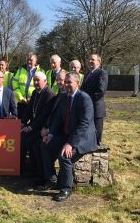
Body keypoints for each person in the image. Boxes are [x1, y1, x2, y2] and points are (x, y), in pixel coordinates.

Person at [39, 72, 97, 201]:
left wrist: (70, 143)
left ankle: (65, 189)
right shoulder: (64, 97)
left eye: (69, 82)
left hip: (83, 138)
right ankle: (52, 180)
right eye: (65, 82)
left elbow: (84, 124)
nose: (66, 85)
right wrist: (51, 134)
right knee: (45, 145)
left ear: (77, 83)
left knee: (65, 155)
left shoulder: (84, 98)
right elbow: (58, 118)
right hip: (67, 135)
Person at [20, 71, 55, 175]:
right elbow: (29, 109)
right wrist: (22, 122)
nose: (35, 83)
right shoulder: (35, 92)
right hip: (35, 126)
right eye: (34, 80)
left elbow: (43, 116)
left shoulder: (49, 94)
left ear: (44, 81)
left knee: (31, 142)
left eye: (37, 80)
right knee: (22, 137)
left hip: (43, 128)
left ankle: (37, 173)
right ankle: (21, 168)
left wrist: (30, 127)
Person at [80, 54, 108, 145]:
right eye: (89, 59)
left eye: (93, 60)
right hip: (86, 107)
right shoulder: (87, 74)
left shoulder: (102, 73)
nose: (90, 61)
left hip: (96, 108)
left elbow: (100, 91)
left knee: (97, 130)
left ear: (99, 62)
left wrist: (87, 101)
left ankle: (96, 146)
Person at [12, 52, 44, 118]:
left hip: (34, 103)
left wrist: (32, 98)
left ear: (35, 61)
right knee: (20, 124)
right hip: (22, 102)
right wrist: (21, 97)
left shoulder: (41, 71)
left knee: (33, 124)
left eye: (31, 60)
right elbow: (14, 84)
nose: (29, 61)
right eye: (28, 60)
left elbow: (42, 87)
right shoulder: (20, 70)